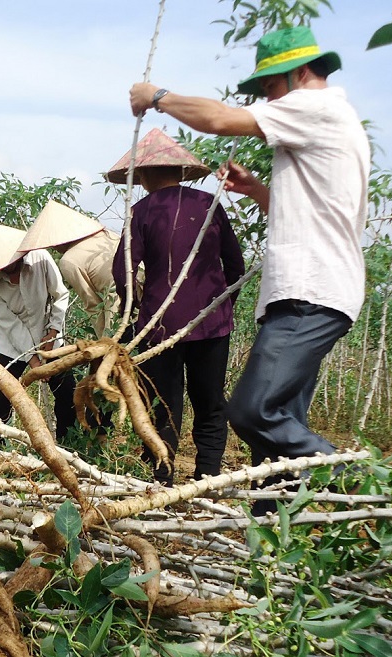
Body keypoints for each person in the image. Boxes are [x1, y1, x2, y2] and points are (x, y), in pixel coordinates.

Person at [128, 26, 370, 512]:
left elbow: (218, 119)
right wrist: (258, 190)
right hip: (308, 294)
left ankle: (363, 486)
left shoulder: (317, 107)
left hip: (311, 295)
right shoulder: (327, 123)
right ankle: (267, 550)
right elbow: (312, 208)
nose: (267, 101)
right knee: (275, 436)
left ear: (301, 73)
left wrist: (156, 97)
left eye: (270, 88)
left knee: (252, 411)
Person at [108, 128, 246, 486]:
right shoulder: (208, 205)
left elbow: (123, 269)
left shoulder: (140, 211)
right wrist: (221, 307)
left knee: (163, 405)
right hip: (211, 322)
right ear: (180, 171)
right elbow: (236, 266)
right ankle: (208, 479)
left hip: (159, 324)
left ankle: (162, 478)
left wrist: (133, 307)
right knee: (210, 401)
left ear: (144, 174)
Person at [0, 222, 77, 444]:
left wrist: (53, 331)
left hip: (49, 337)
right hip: (11, 345)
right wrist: (34, 361)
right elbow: (10, 324)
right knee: (1, 398)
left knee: (67, 394)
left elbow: (60, 295)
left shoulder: (41, 259)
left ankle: (70, 445)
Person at [17, 200, 120, 340]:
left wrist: (104, 340)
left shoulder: (69, 261)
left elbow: (93, 304)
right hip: (149, 289)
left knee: (116, 350)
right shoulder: (108, 236)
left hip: (118, 299)